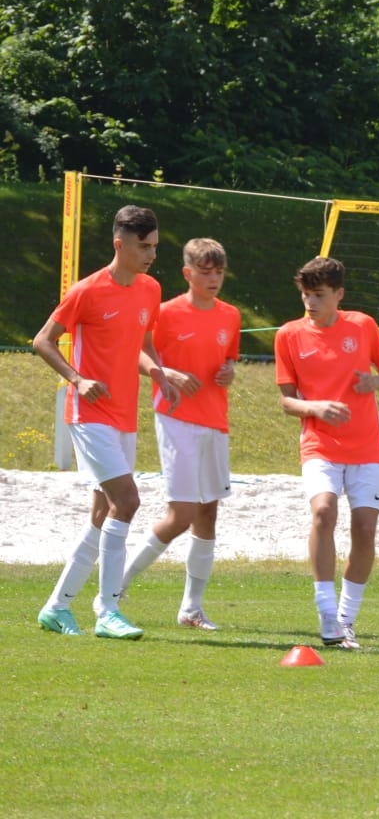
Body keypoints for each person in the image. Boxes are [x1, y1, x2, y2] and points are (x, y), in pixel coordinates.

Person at [32, 204, 180, 639]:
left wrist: (159, 373)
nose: (152, 254)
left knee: (103, 512)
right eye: (144, 246)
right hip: (89, 414)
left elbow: (140, 348)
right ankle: (109, 610)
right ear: (120, 244)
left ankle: (57, 607)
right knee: (127, 501)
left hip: (123, 415)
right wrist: (77, 380)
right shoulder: (87, 290)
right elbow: (43, 341)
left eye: (155, 246)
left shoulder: (150, 289)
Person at [104, 238, 240, 630]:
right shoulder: (164, 312)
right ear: (187, 273)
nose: (213, 279)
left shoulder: (230, 315)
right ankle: (114, 589)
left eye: (219, 272)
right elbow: (137, 352)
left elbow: (229, 358)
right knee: (181, 515)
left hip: (215, 420)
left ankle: (191, 609)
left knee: (208, 513)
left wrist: (229, 371)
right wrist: (168, 374)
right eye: (205, 272)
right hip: (176, 418)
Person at [274, 256, 379, 649]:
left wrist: (373, 383)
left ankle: (346, 620)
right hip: (319, 444)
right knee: (324, 512)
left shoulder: (362, 326)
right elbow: (287, 401)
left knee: (364, 529)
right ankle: (326, 610)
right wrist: (316, 408)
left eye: (319, 295)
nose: (310, 302)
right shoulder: (289, 335)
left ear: (339, 294)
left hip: (367, 447)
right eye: (306, 295)